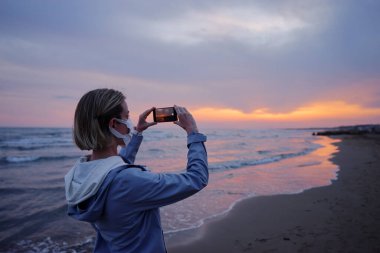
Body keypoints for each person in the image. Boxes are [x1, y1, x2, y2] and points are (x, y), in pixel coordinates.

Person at [64, 88, 208, 253]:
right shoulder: (128, 181)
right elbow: (196, 178)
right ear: (113, 124)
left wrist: (137, 132)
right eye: (126, 117)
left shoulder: (82, 173)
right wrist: (193, 133)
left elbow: (114, 167)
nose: (130, 122)